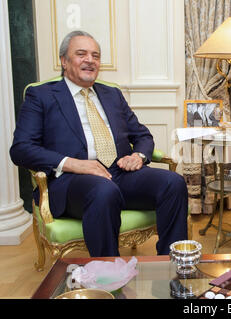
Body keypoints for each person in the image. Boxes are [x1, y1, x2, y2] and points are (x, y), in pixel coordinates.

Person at [10, 30, 188, 256]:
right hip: (72, 181)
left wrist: (138, 157)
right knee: (103, 191)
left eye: (95, 55)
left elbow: (142, 135)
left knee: (173, 182)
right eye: (81, 54)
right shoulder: (42, 96)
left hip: (120, 173)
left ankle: (172, 265)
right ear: (64, 61)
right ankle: (108, 277)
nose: (90, 60)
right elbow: (21, 149)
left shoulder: (112, 94)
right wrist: (73, 164)